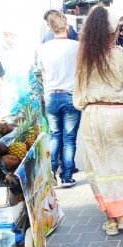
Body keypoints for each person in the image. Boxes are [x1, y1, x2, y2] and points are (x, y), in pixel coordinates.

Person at [73, 6, 123, 236]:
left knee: (101, 168)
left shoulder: (83, 57)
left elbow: (77, 95)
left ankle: (111, 220)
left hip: (93, 116)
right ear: (114, 30)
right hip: (120, 115)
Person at [34, 13, 81, 188]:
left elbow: (41, 74)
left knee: (55, 136)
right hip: (71, 94)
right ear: (66, 26)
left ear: (49, 27)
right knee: (69, 138)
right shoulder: (77, 46)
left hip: (51, 95)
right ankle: (67, 176)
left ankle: (51, 173)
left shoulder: (42, 49)